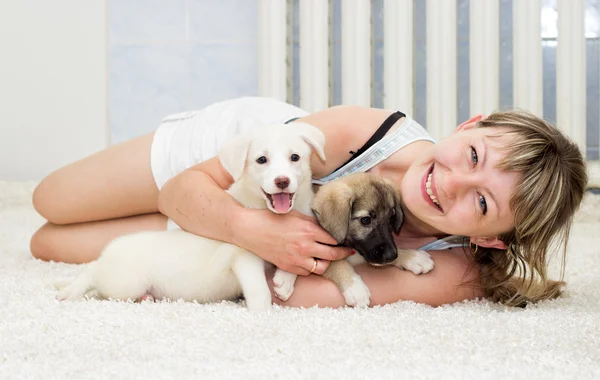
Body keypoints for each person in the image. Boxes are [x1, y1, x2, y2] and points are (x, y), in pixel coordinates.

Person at [30, 97, 587, 308]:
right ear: (470, 124)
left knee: (46, 242)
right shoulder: (363, 131)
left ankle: (176, 233)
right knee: (48, 199)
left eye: (483, 204)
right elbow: (182, 190)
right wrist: (247, 228)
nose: (451, 183)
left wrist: (212, 236)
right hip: (237, 157)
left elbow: (310, 296)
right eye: (470, 155)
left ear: (490, 239)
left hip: (214, 235)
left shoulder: (453, 270)